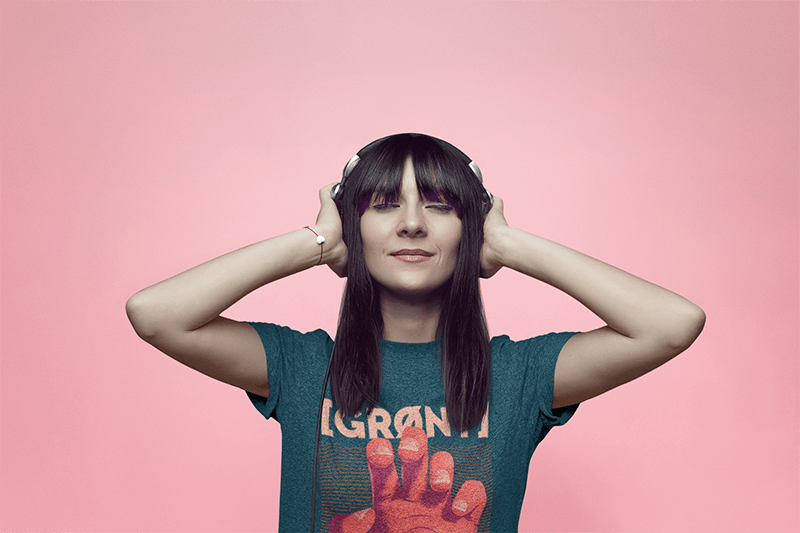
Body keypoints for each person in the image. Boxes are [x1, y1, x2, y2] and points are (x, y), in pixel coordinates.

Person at [126, 133, 705, 533]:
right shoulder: (303, 368)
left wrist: (506, 244)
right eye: (382, 205)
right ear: (354, 226)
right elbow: (156, 313)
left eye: (439, 206)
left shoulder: (520, 377)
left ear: (468, 229)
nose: (410, 223)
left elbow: (671, 325)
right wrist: (319, 241)